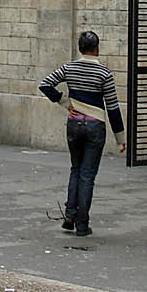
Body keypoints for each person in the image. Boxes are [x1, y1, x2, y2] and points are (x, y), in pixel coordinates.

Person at [38, 30, 126, 237]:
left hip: (74, 124)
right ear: (97, 48)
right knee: (87, 175)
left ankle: (70, 216)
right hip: (95, 126)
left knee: (75, 169)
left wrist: (65, 102)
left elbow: (45, 84)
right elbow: (112, 107)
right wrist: (120, 138)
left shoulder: (69, 68)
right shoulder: (105, 74)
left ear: (79, 48)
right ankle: (82, 224)